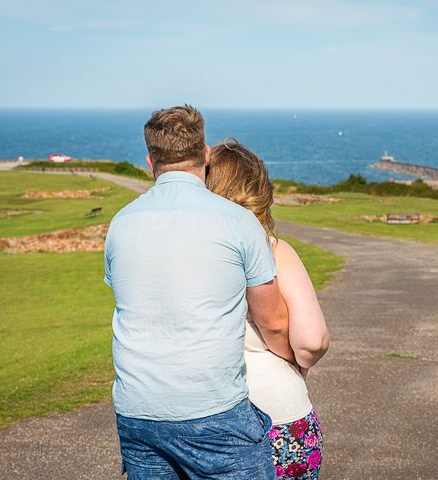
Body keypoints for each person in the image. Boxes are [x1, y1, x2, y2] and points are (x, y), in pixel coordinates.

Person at [104, 105, 294, 479]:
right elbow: (273, 321)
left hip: (136, 410)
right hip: (213, 409)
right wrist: (293, 365)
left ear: (149, 161)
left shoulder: (120, 223)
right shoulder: (238, 222)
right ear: (205, 155)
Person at [206, 139, 330, 480]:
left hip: (201, 420)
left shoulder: (188, 255)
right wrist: (293, 360)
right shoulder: (275, 250)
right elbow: (312, 340)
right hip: (279, 414)